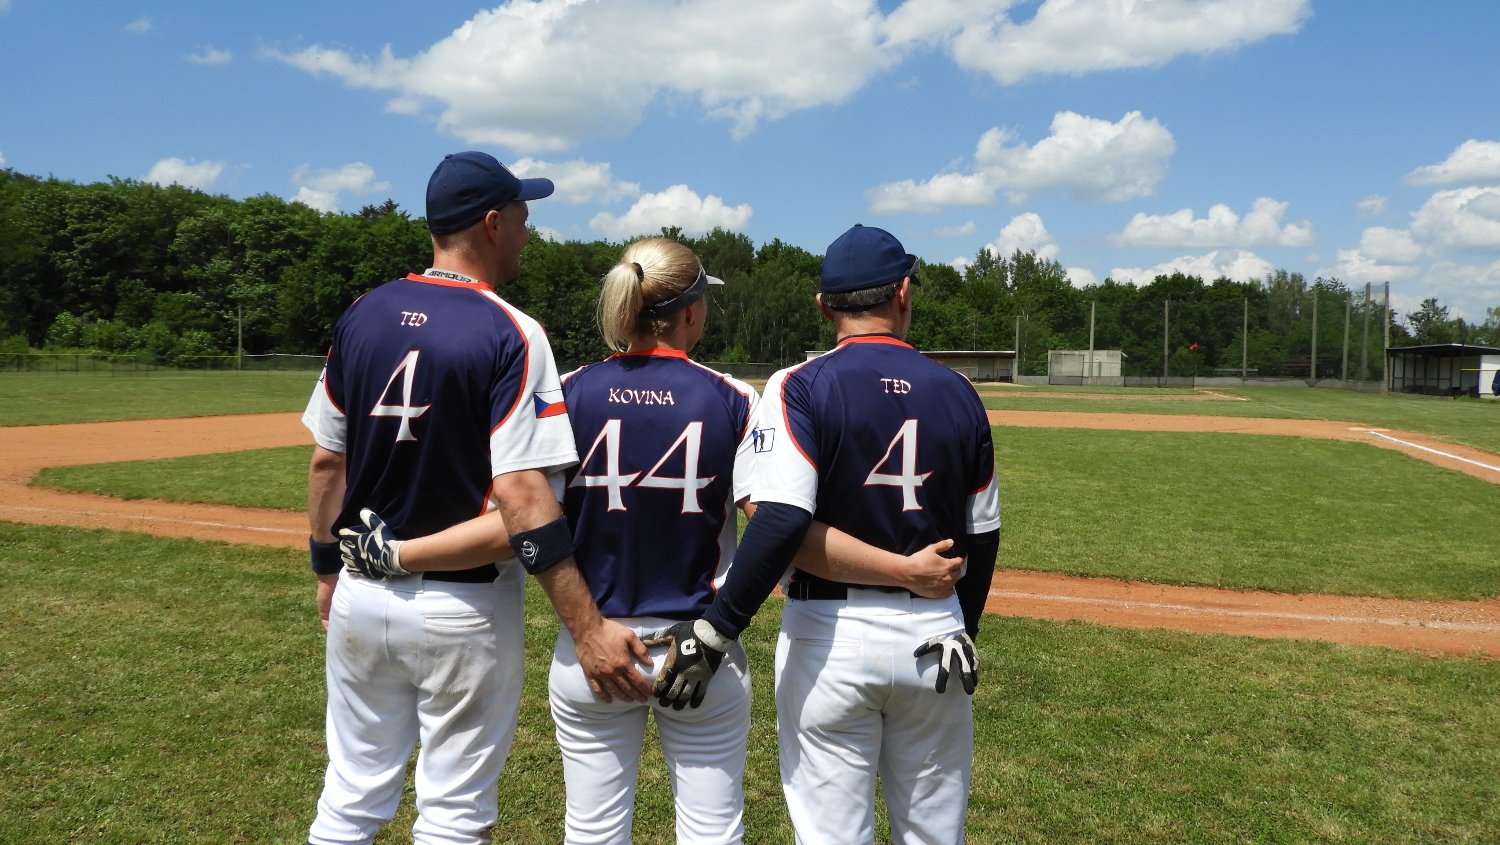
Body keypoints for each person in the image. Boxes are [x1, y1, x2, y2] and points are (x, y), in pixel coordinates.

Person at [341, 236, 963, 844]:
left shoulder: (571, 390)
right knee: (713, 832)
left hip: (592, 644)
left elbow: (526, 512)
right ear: (689, 312)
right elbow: (770, 520)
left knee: (592, 832)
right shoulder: (731, 398)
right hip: (698, 646)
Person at [301, 151, 652, 845]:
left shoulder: (362, 313)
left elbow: (326, 462)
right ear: (492, 223)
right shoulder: (512, 330)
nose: (527, 231)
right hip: (462, 607)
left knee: (350, 795)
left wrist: (325, 569)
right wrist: (586, 626)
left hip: (360, 594)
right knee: (455, 813)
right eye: (522, 216)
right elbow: (523, 497)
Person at [650, 224, 1002, 844]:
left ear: (822, 306)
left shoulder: (799, 384)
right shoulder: (960, 390)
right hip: (936, 637)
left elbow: (781, 519)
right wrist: (961, 626)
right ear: (903, 292)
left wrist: (715, 631)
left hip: (830, 636)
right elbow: (983, 534)